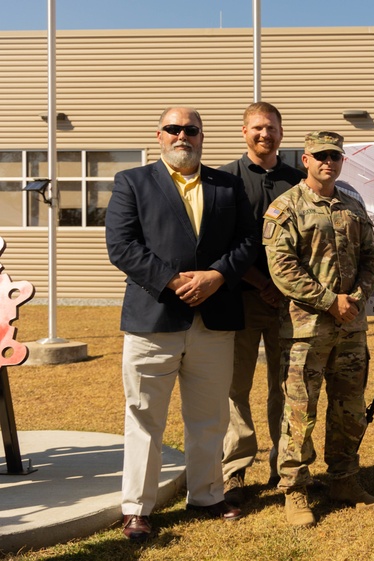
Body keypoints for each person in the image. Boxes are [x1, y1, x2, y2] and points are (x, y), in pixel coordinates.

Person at [105, 107, 257, 541]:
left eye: (191, 129)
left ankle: (207, 494)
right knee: (144, 417)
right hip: (154, 316)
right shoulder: (132, 182)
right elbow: (121, 245)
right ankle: (137, 507)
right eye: (174, 128)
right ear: (159, 135)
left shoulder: (227, 184)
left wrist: (217, 276)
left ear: (202, 136)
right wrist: (171, 280)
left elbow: (248, 241)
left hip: (214, 318)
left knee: (208, 417)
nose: (182, 135)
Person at [263, 131, 374, 526]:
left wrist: (357, 299)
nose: (328, 162)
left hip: (351, 329)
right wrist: (332, 301)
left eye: (335, 156)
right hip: (306, 332)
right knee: (300, 413)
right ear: (306, 160)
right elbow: (283, 268)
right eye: (321, 155)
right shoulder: (287, 208)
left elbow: (372, 257)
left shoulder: (351, 206)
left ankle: (344, 479)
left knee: (350, 409)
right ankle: (295, 490)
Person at [218, 102, 306, 503]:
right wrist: (260, 283)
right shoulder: (223, 180)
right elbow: (222, 244)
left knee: (286, 387)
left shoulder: (298, 180)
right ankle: (234, 470)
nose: (264, 134)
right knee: (235, 386)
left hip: (290, 304)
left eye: (270, 128)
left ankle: (283, 467)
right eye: (256, 128)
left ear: (281, 133)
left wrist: (286, 289)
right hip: (240, 299)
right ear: (244, 132)